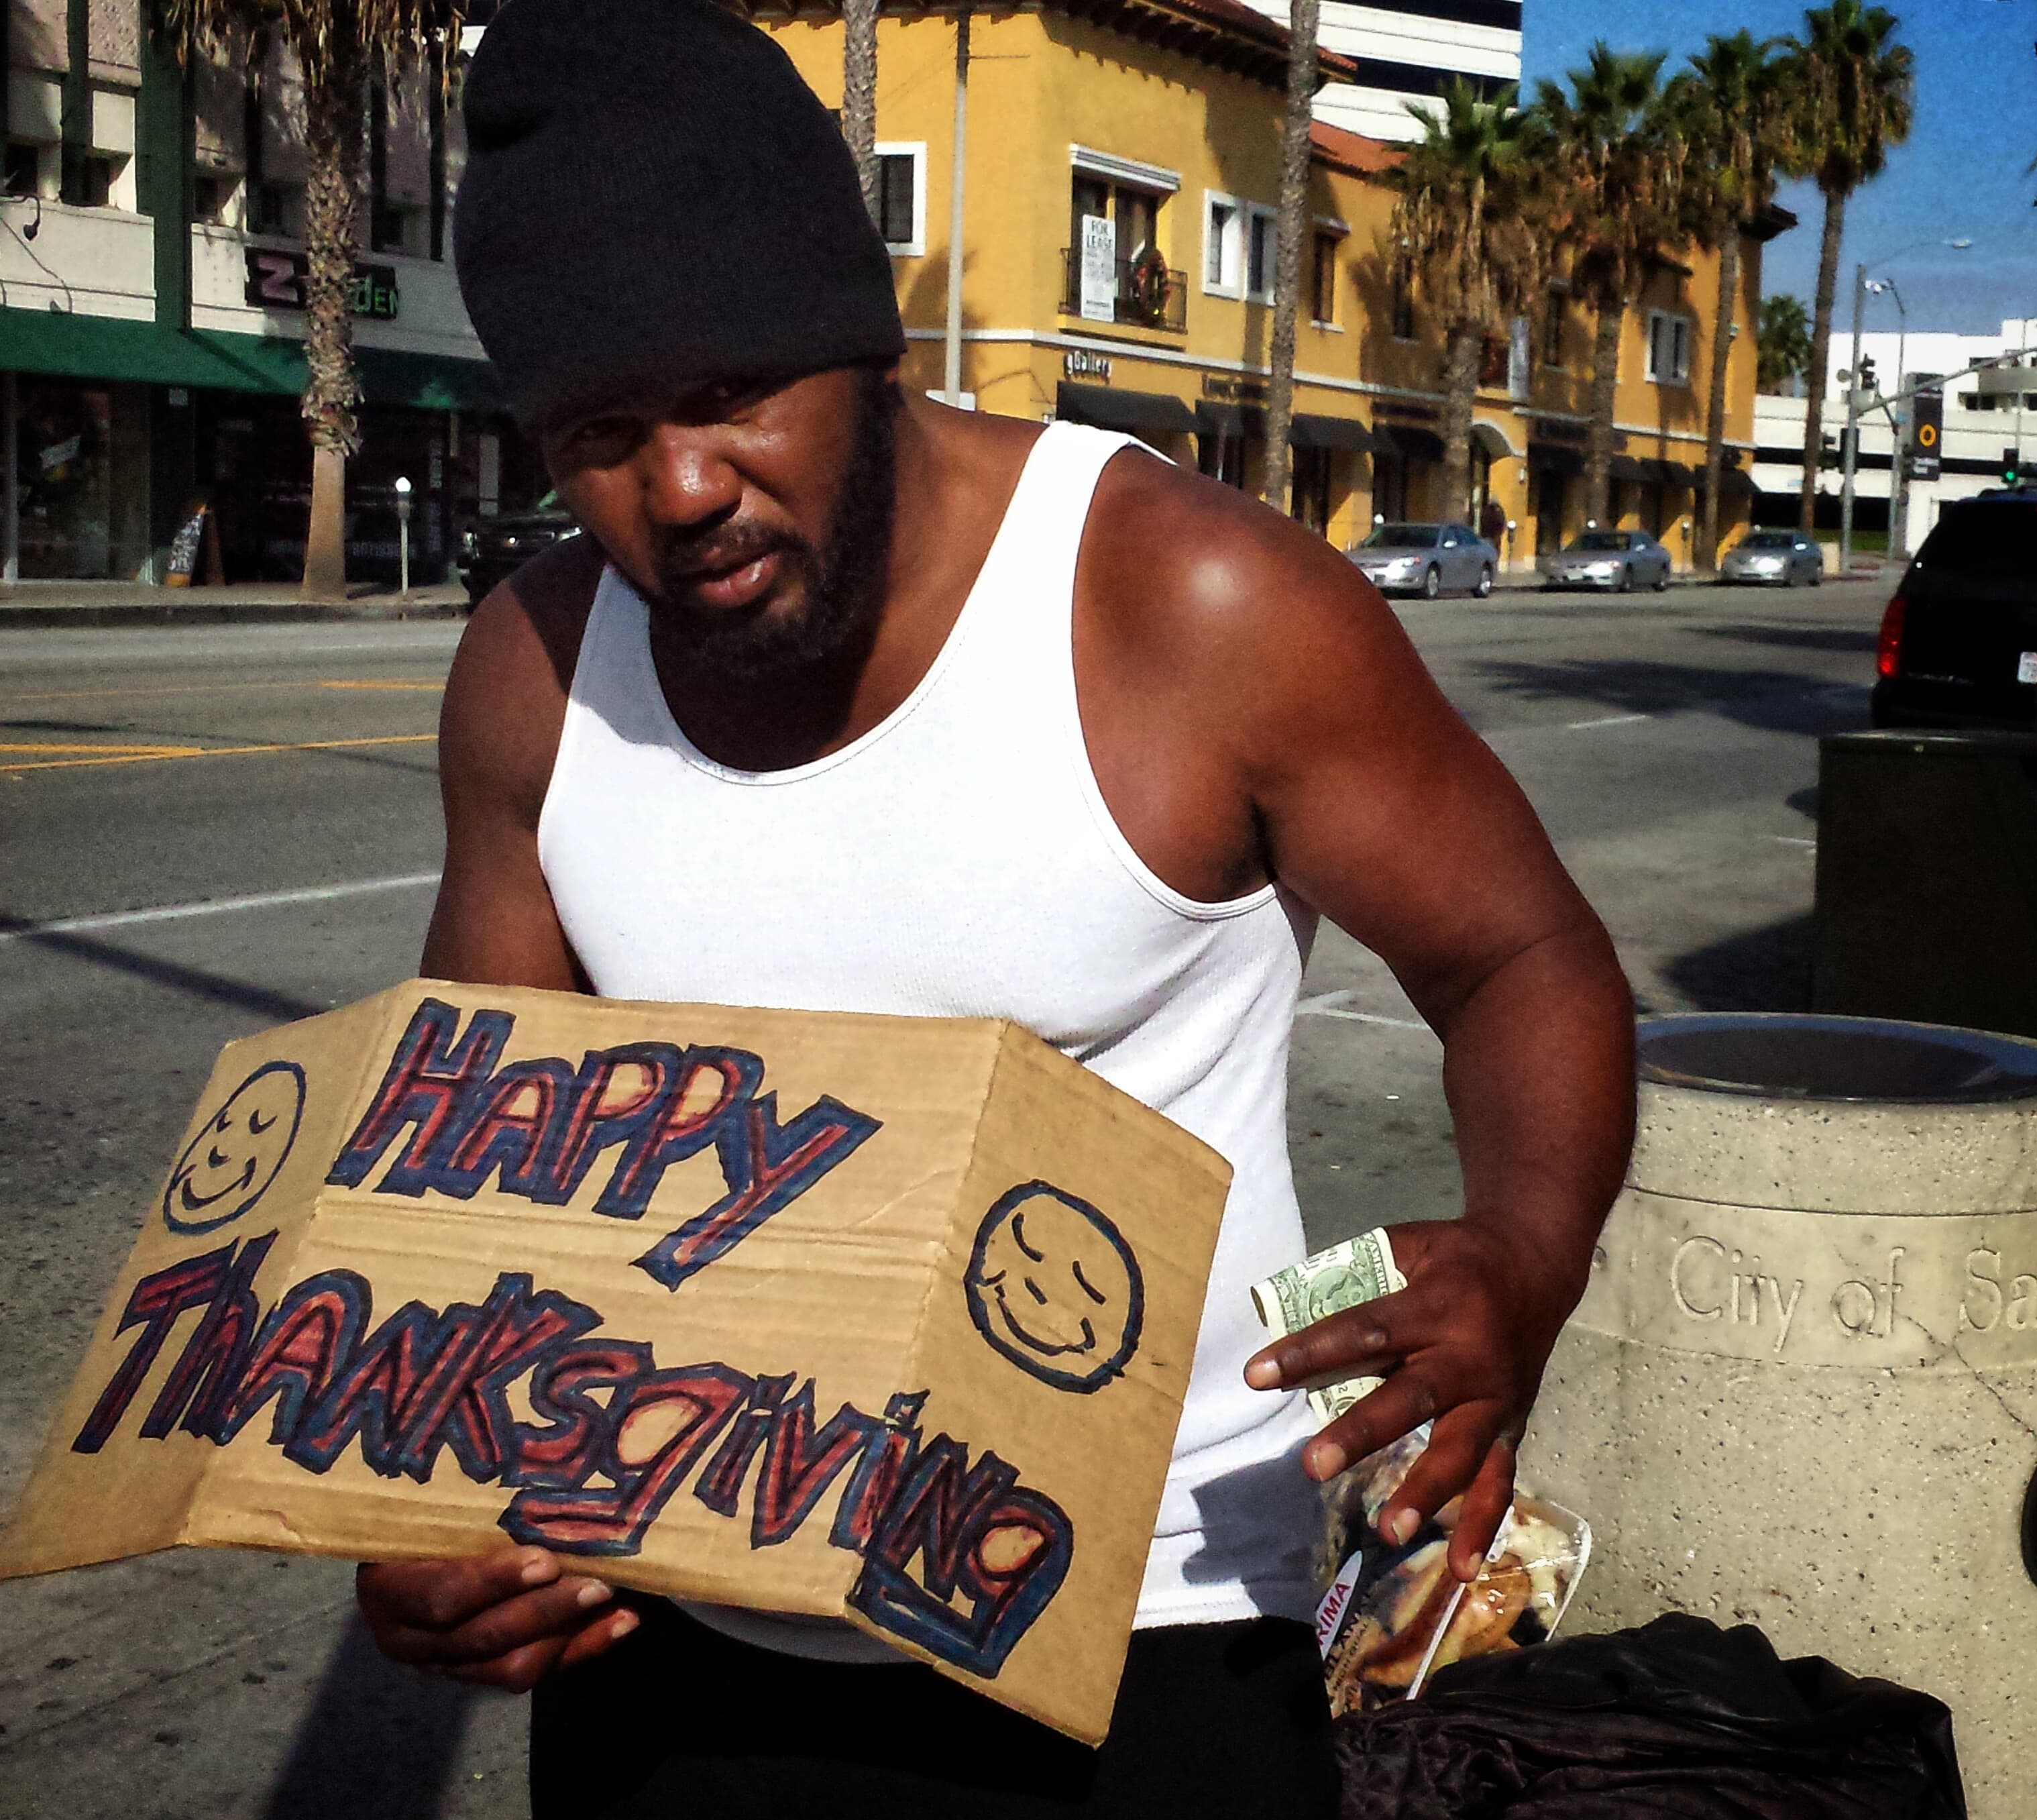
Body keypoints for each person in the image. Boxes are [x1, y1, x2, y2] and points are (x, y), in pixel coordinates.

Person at [353, 1, 1636, 1813]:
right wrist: (409, 1499)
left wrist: (1527, 1251)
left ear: (858, 339)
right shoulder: (537, 668)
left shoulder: (1185, 603)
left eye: (730, 393)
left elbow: (1521, 957)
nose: (683, 487)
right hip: (685, 1630)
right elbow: (475, 1150)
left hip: (1155, 1622)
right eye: (601, 432)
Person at [1479, 494, 1510, 563]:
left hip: (1492, 535)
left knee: (1492, 550)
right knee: (1492, 550)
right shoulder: (1493, 510)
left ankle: (1492, 564)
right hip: (1491, 535)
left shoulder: (1489, 510)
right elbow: (1502, 521)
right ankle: (1492, 564)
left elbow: (1501, 522)